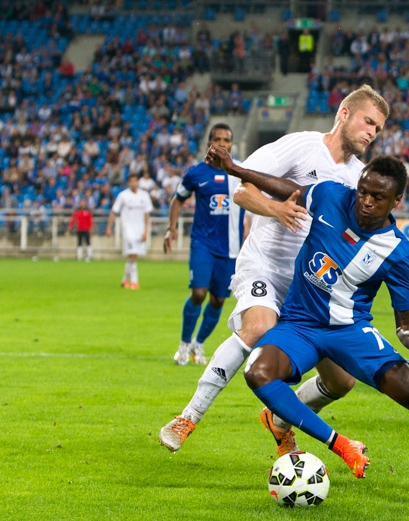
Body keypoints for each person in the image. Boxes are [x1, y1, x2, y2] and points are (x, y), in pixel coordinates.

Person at [207, 149, 409, 502]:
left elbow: (405, 324)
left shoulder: (398, 253)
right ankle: (342, 445)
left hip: (349, 331)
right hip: (300, 324)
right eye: (363, 192)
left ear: (396, 200)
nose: (366, 202)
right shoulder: (330, 195)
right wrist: (235, 168)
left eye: (378, 197)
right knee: (257, 372)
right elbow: (285, 187)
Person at [159, 85, 387, 454]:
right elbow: (242, 191)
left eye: (377, 129)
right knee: (259, 327)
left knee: (342, 380)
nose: (371, 133)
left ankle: (279, 418)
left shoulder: (358, 178)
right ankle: (188, 416)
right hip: (264, 262)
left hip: (310, 284)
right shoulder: (300, 145)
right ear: (344, 114)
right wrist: (276, 208)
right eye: (368, 122)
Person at [164, 124, 248, 366]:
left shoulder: (240, 172)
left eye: (226, 140)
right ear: (210, 143)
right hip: (202, 243)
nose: (222, 143)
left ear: (232, 144)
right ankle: (183, 343)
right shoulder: (196, 173)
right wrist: (172, 228)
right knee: (199, 293)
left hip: (231, 248)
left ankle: (198, 344)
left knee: (218, 300)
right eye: (217, 139)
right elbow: (178, 199)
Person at [106, 175, 153, 289]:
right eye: (131, 181)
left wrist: (146, 231)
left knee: (133, 255)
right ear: (128, 183)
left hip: (140, 229)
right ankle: (135, 281)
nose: (133, 183)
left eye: (135, 181)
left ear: (138, 182)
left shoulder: (144, 195)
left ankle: (124, 280)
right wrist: (109, 227)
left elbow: (147, 214)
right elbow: (114, 211)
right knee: (132, 253)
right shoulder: (123, 195)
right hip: (128, 229)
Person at [68, 198, 93, 262]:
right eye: (81, 202)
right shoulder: (77, 211)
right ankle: (79, 256)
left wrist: (90, 228)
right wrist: (70, 227)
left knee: (88, 242)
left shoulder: (88, 211)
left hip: (86, 229)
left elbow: (90, 221)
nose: (82, 204)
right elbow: (73, 219)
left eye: (83, 202)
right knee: (79, 243)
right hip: (79, 229)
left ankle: (90, 255)